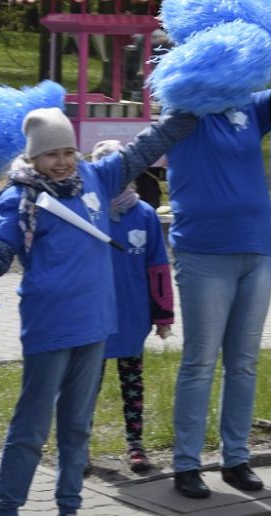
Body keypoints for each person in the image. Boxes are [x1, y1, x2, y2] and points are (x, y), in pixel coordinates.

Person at [0, 107, 194, 516]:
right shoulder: (21, 198)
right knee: (30, 429)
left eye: (68, 150)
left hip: (96, 327)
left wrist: (190, 105)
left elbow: (149, 145)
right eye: (51, 154)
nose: (63, 161)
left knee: (76, 429)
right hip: (50, 328)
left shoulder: (98, 178)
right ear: (33, 158)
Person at [166, 67, 271, 499]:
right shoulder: (185, 108)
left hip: (256, 251)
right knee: (200, 362)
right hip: (205, 254)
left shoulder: (249, 108)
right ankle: (186, 464)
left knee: (244, 363)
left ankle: (235, 459)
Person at [90, 139, 174, 474]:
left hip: (132, 316)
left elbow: (158, 268)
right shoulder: (87, 211)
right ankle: (77, 444)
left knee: (133, 383)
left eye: (123, 171)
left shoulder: (145, 216)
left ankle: (135, 443)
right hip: (92, 319)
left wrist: (163, 313)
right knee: (85, 386)